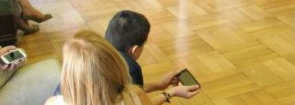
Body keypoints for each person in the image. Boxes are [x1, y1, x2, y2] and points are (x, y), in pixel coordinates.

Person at [46, 30, 199, 105]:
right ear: (116, 65)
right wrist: (170, 93)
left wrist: (159, 85)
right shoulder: (133, 96)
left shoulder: (53, 102)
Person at [104, 10, 201, 103]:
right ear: (135, 50)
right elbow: (138, 103)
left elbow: (130, 93)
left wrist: (160, 84)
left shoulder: (100, 51)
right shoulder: (131, 68)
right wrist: (172, 92)